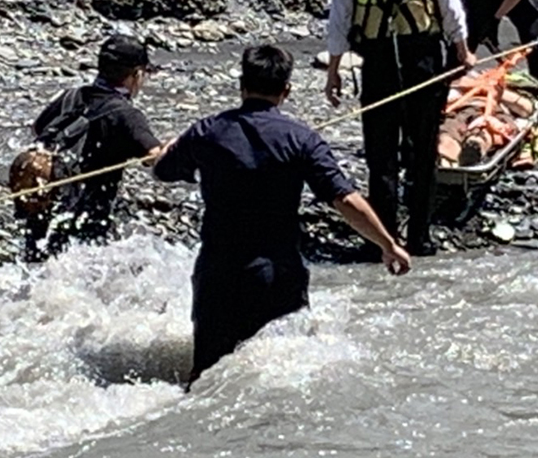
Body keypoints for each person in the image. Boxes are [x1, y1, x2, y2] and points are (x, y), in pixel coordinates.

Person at [154, 44, 411, 390]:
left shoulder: (206, 132)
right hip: (276, 277)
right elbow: (345, 198)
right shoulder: (301, 139)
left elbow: (163, 171)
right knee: (283, 382)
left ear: (241, 85)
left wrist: (172, 148)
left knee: (204, 382)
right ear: (286, 91)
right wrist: (388, 244)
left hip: (217, 278)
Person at [324, 0, 473, 258]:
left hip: (377, 61)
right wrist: (462, 49)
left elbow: (340, 14)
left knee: (381, 154)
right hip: (422, 56)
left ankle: (384, 238)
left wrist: (334, 70)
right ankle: (421, 237)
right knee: (423, 150)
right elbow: (448, 0)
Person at [20, 35, 163, 258]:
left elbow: (38, 129)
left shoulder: (71, 97)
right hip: (89, 224)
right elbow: (155, 157)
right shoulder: (127, 115)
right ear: (136, 75)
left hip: (45, 212)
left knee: (39, 267)